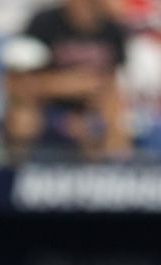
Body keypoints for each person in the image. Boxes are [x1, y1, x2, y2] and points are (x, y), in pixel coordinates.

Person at [7, 0, 131, 158]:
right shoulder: (44, 23)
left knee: (114, 117)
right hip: (48, 107)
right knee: (22, 117)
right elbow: (21, 85)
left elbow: (110, 83)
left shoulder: (112, 29)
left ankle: (114, 173)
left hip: (91, 107)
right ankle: (17, 177)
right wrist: (70, 85)